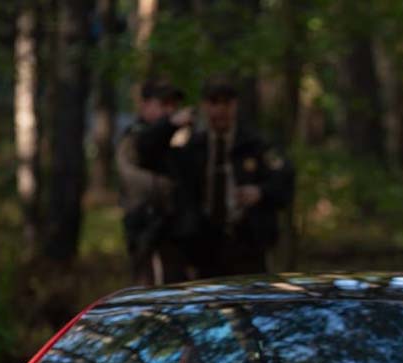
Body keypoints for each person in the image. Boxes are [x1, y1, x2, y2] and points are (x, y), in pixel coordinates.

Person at [166, 76, 294, 278]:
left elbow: (284, 179)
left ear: (235, 105)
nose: (220, 110)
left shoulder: (255, 144)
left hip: (248, 242)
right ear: (205, 106)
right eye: (214, 102)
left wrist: (260, 192)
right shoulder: (192, 147)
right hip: (204, 246)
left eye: (226, 103)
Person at [116, 81, 190, 284]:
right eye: (164, 104)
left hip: (175, 233)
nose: (170, 111)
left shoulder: (174, 138)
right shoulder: (135, 137)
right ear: (144, 105)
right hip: (146, 228)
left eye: (173, 105)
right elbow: (132, 176)